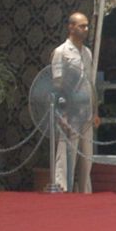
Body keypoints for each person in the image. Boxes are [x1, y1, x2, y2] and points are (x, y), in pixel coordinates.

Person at [46, 10, 100, 194]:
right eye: (81, 26)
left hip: (86, 109)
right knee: (66, 152)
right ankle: (62, 187)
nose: (86, 29)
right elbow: (58, 85)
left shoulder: (87, 53)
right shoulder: (61, 52)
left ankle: (85, 190)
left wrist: (95, 110)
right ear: (71, 27)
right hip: (69, 109)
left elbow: (90, 83)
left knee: (87, 155)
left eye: (87, 26)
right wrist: (62, 112)